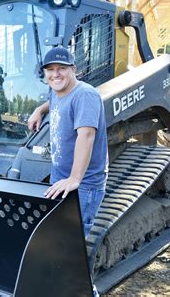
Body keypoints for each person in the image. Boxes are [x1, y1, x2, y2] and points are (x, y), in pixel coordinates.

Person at [28, 46, 108, 237]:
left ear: (74, 69)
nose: (55, 74)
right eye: (50, 69)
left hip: (83, 184)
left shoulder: (85, 95)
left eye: (61, 68)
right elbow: (54, 100)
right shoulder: (57, 91)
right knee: (60, 234)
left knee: (74, 239)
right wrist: (39, 110)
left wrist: (75, 179)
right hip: (60, 178)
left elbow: (86, 136)